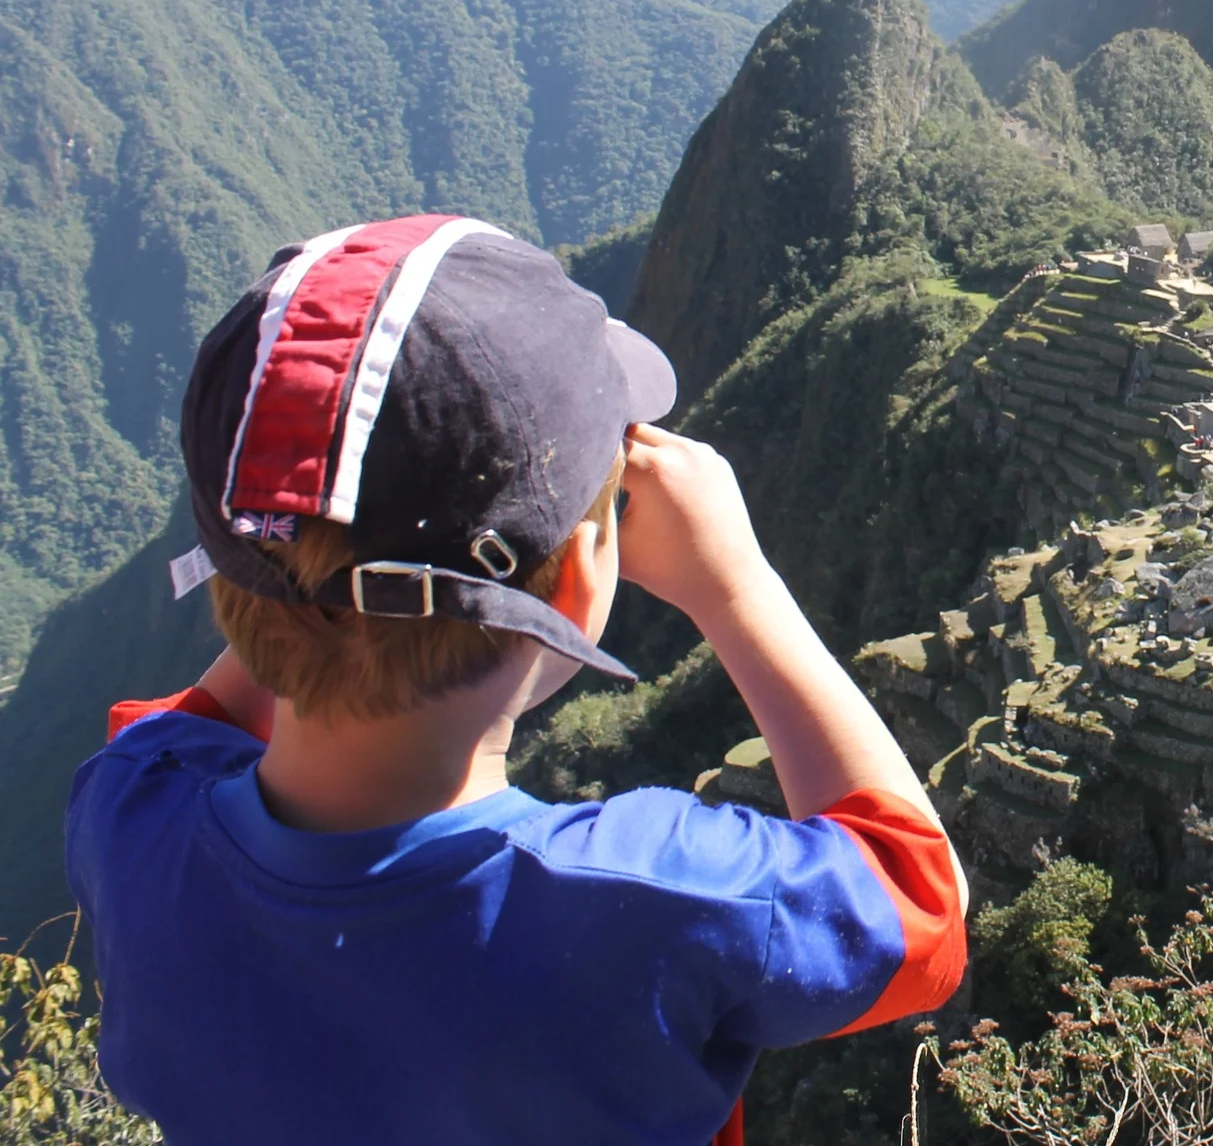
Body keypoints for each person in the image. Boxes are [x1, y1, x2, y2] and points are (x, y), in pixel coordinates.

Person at [65, 215, 966, 1145]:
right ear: (578, 582)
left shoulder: (131, 824)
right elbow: (921, 902)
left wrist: (304, 556)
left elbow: (179, 727)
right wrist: (737, 586)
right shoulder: (645, 895)